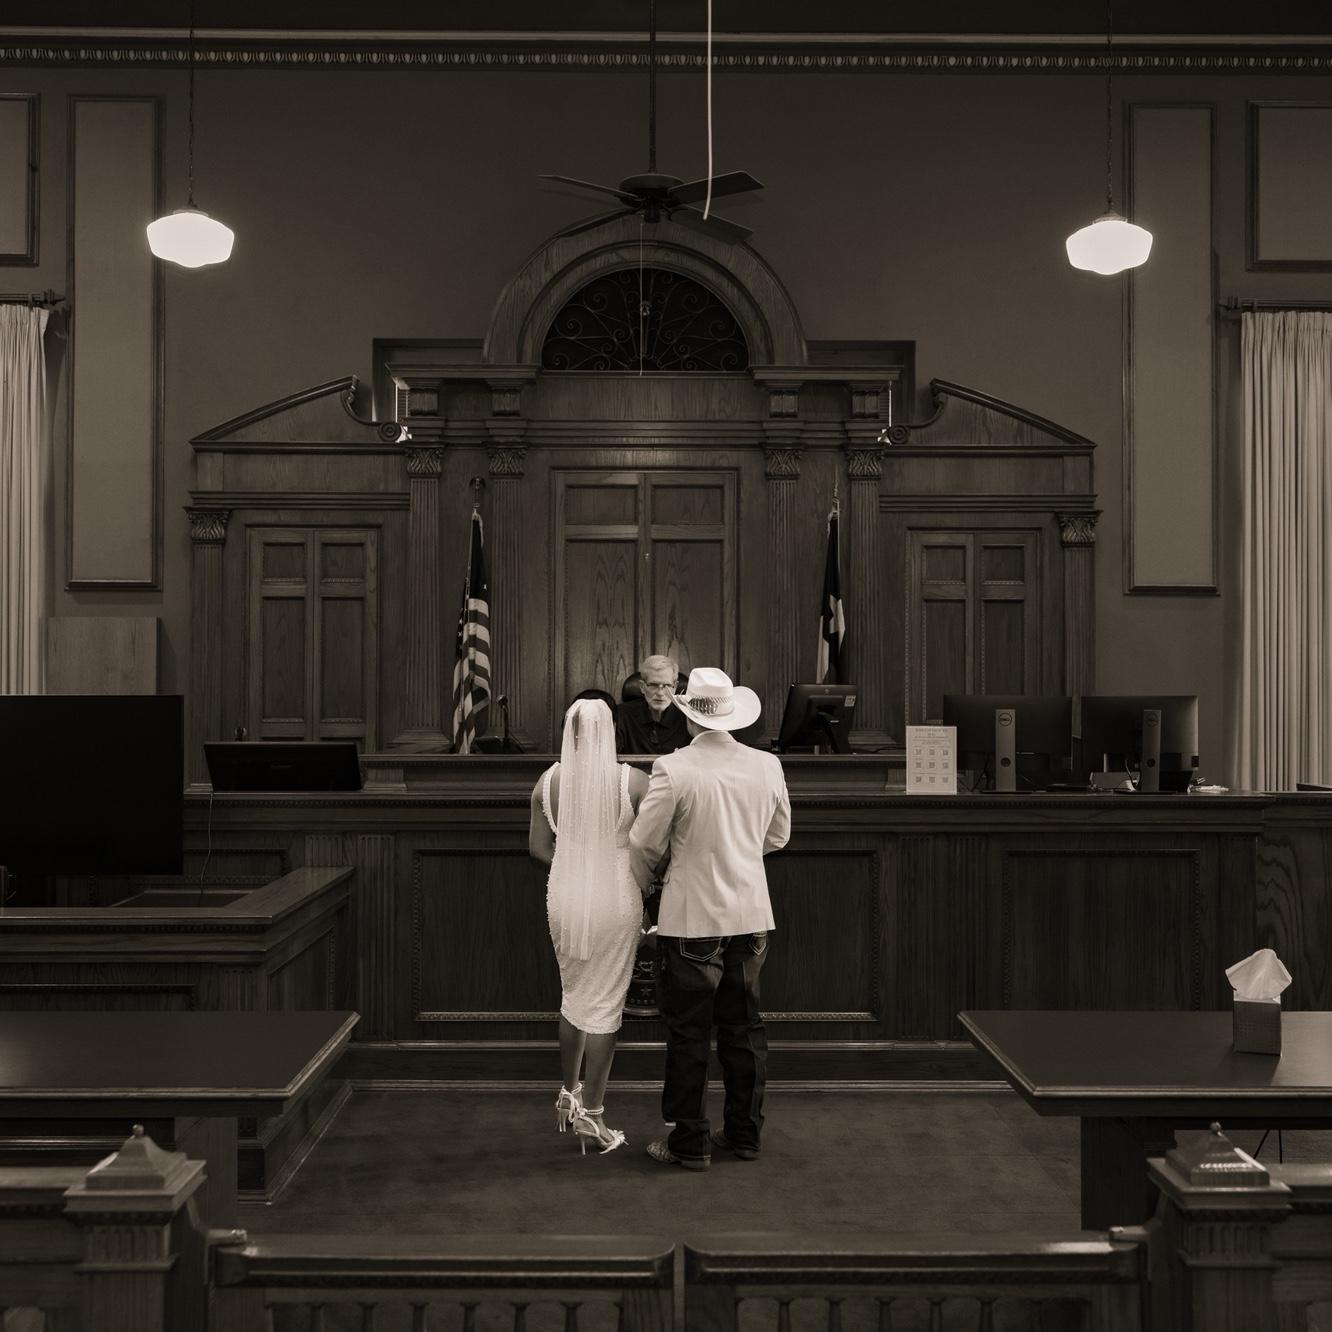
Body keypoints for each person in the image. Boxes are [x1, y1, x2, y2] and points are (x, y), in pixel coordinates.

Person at [629, 666, 791, 1170]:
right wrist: (736, 852)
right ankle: (744, 1135)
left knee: (690, 1033)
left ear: (689, 716)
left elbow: (644, 844)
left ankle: (689, 1142)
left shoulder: (673, 768)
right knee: (745, 1029)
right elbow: (778, 837)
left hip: (692, 916)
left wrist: (648, 886)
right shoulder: (767, 765)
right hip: (751, 913)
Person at [529, 693, 649, 1156]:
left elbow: (538, 848)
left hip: (565, 895)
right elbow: (651, 847)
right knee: (605, 1004)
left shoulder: (548, 781)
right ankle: (593, 1114)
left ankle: (568, 1092)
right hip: (614, 897)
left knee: (574, 993)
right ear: (612, 730)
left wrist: (575, 865)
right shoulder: (633, 781)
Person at [616, 654, 691, 755]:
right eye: (653, 685)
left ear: (675, 687)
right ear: (642, 687)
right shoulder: (621, 715)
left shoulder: (688, 717)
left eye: (667, 685)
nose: (660, 693)